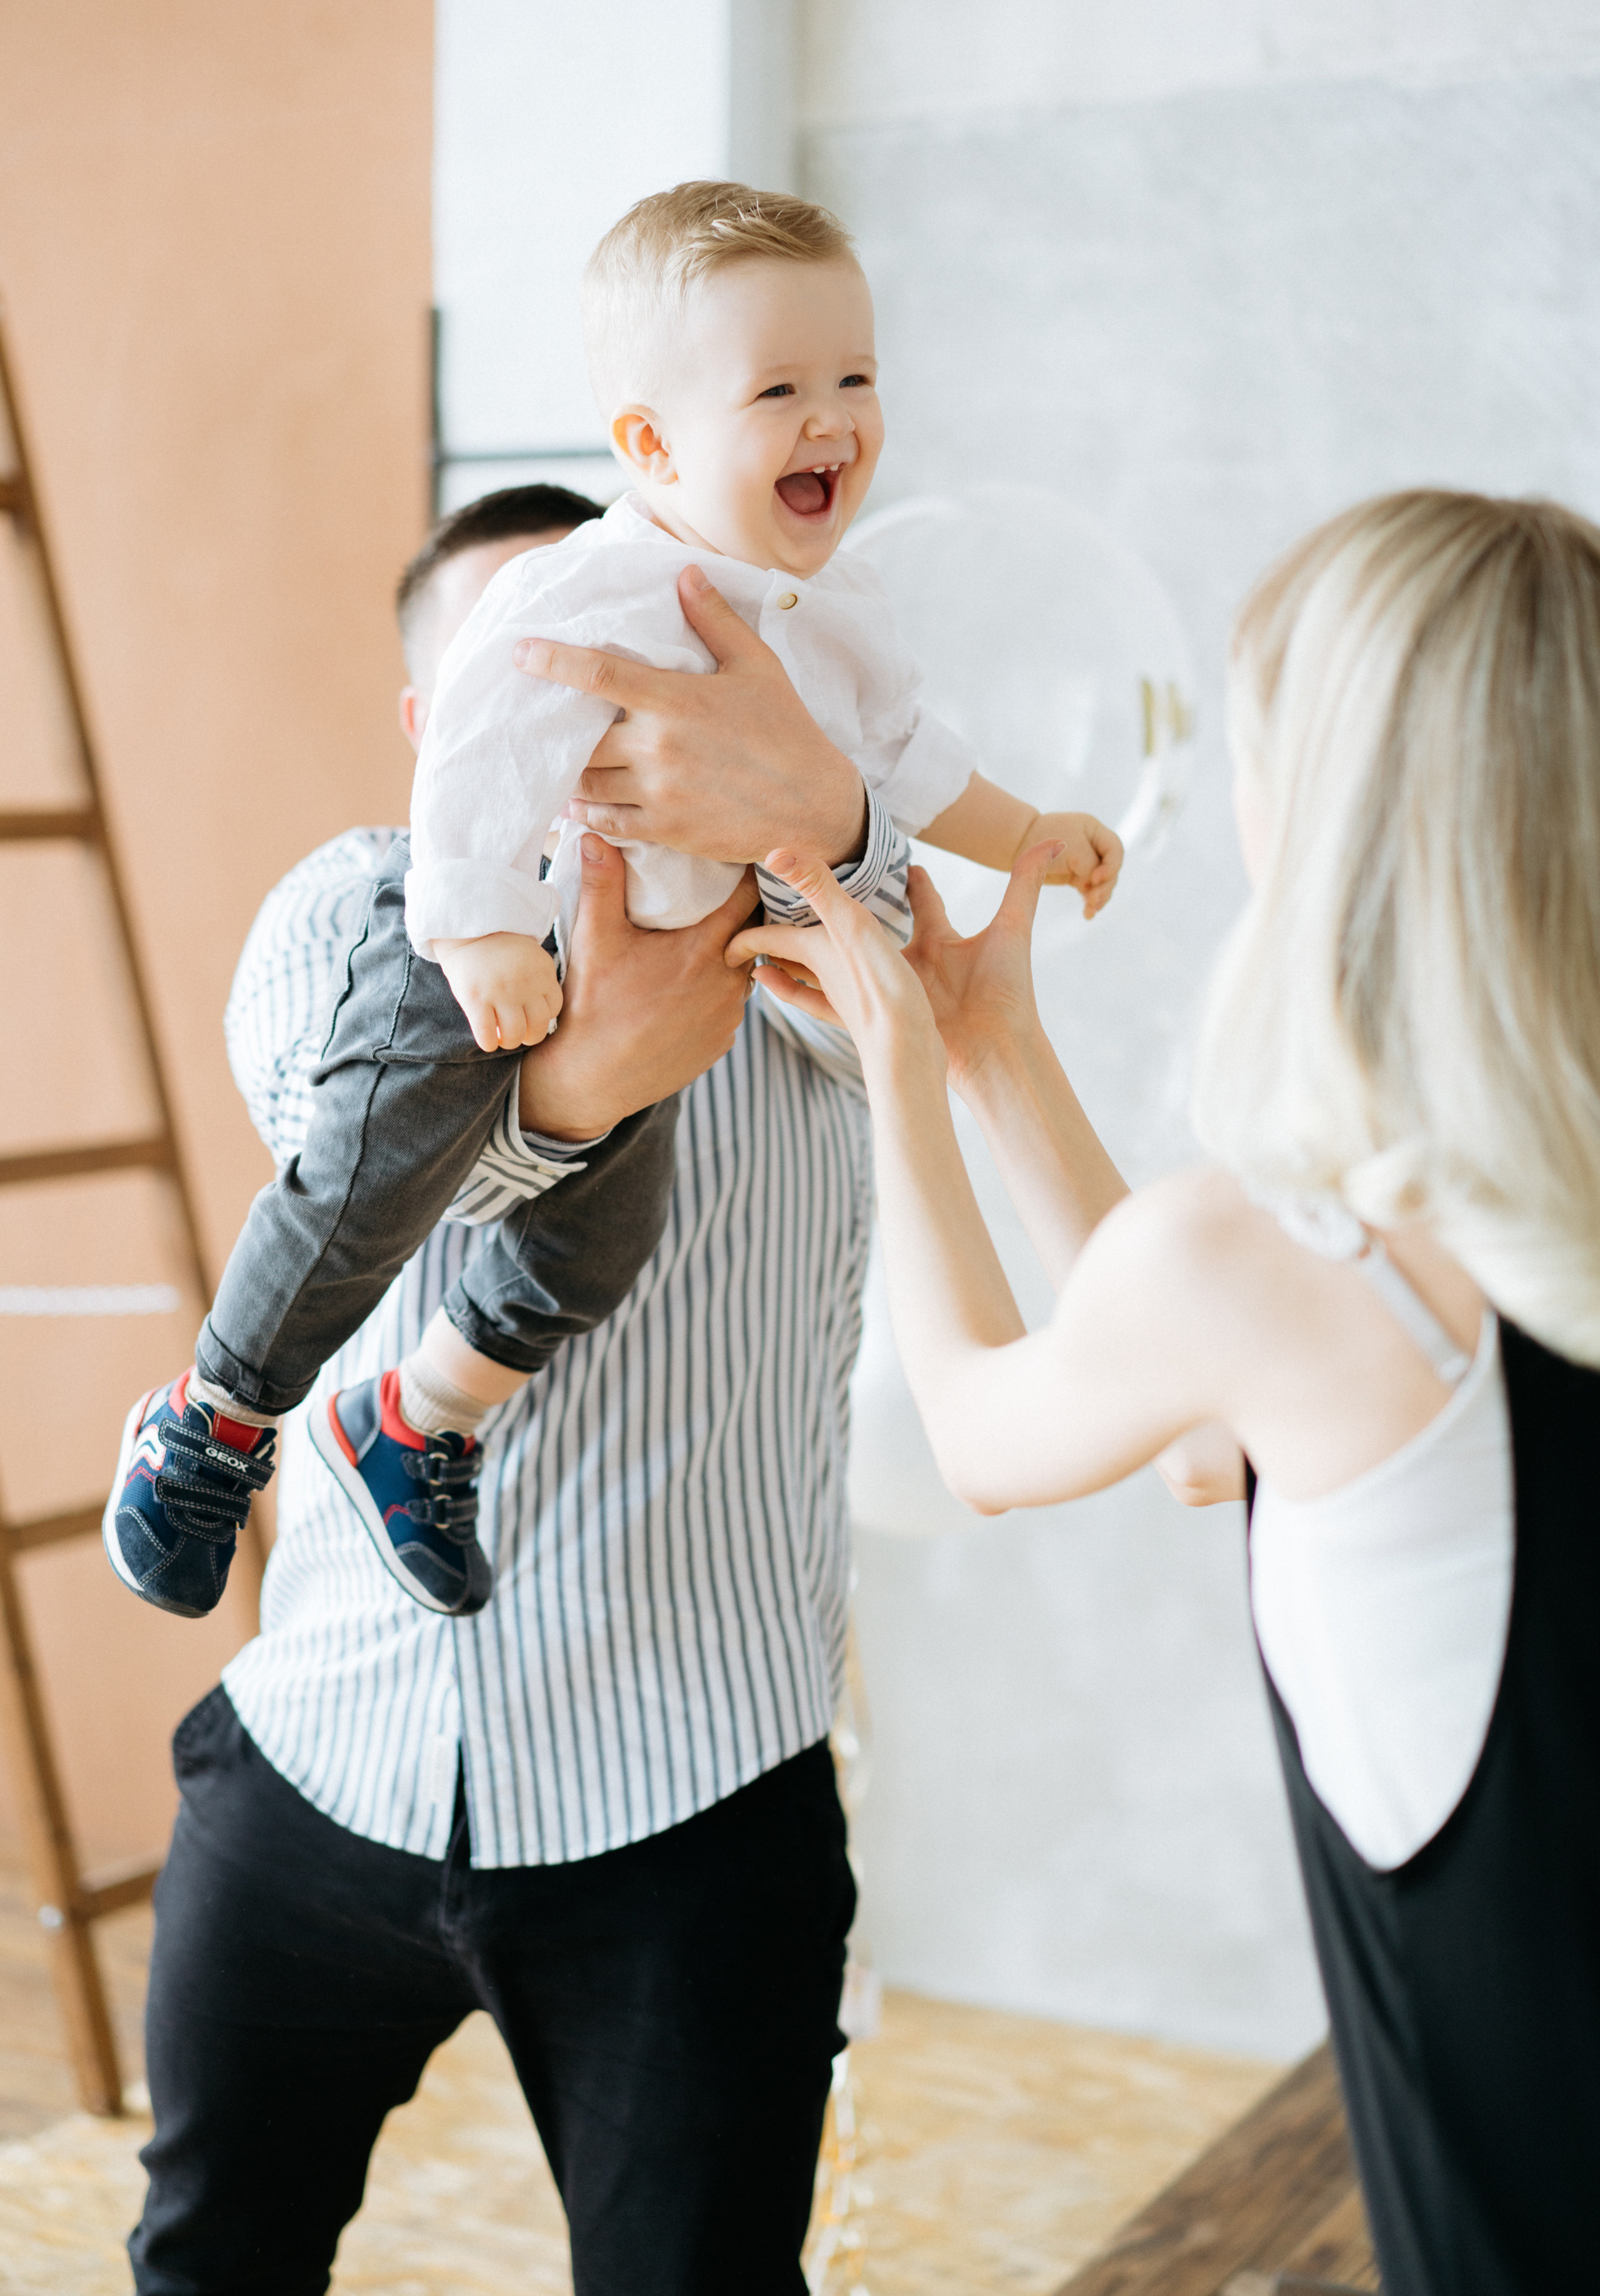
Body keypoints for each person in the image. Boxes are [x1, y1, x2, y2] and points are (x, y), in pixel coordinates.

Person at [736, 489, 1600, 2295]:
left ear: (1339, 806)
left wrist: (905, 1055)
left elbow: (984, 1423)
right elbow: (1222, 1433)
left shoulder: (1288, 1265)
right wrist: (999, 1046)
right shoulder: (1365, 1272)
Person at [104, 180, 1124, 1622]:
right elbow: (471, 767)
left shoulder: (836, 621)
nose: (831, 414)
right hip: (485, 948)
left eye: (856, 378)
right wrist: (473, 934)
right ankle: (213, 1419)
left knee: (603, 1233)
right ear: (648, 446)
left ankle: (421, 1417)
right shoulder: (574, 597)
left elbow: (906, 776)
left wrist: (1017, 830)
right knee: (375, 1152)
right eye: (779, 387)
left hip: (689, 982)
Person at [129, 483, 921, 2296]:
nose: (579, 741)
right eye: (523, 679)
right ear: (434, 727)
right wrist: (586, 1092)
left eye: (625, 676)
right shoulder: (350, 906)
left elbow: (928, 978)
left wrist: (810, 815)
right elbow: (372, 1151)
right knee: (206, 2259)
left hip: (688, 1804)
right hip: (317, 1763)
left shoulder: (801, 944)